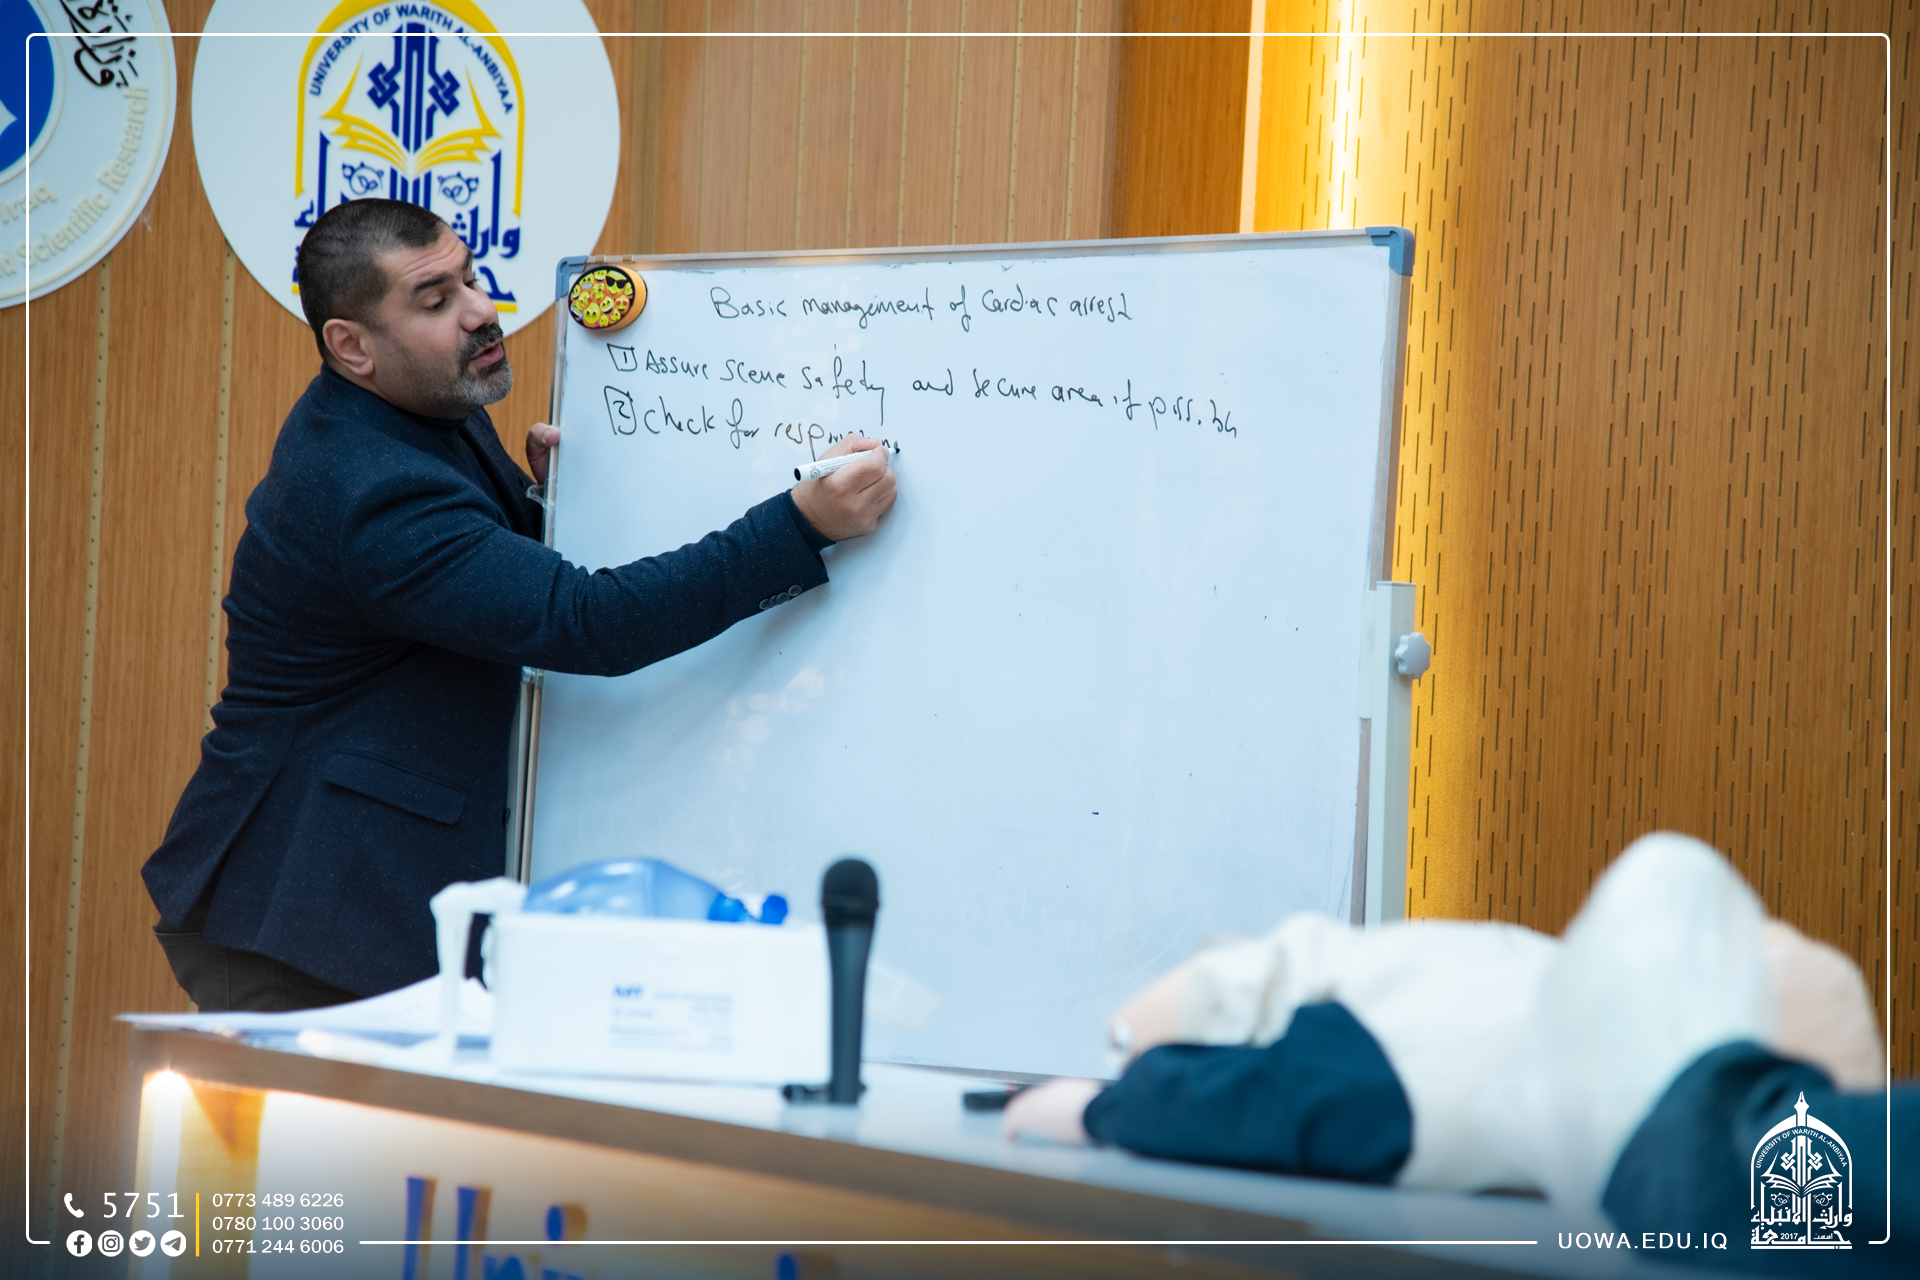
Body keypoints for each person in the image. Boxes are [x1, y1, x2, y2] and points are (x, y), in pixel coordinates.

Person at [141, 199, 896, 1012]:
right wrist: (799, 526)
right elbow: (587, 623)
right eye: (436, 300)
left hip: (350, 901)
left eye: (472, 278)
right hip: (303, 912)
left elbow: (456, 588)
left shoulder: (420, 410)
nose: (480, 310)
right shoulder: (370, 488)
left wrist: (541, 508)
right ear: (352, 346)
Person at [1005, 833, 1912, 1273]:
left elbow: (1241, 1101)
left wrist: (1094, 1108)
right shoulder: (1472, 982)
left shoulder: (1371, 1028)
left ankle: (1715, 1123)